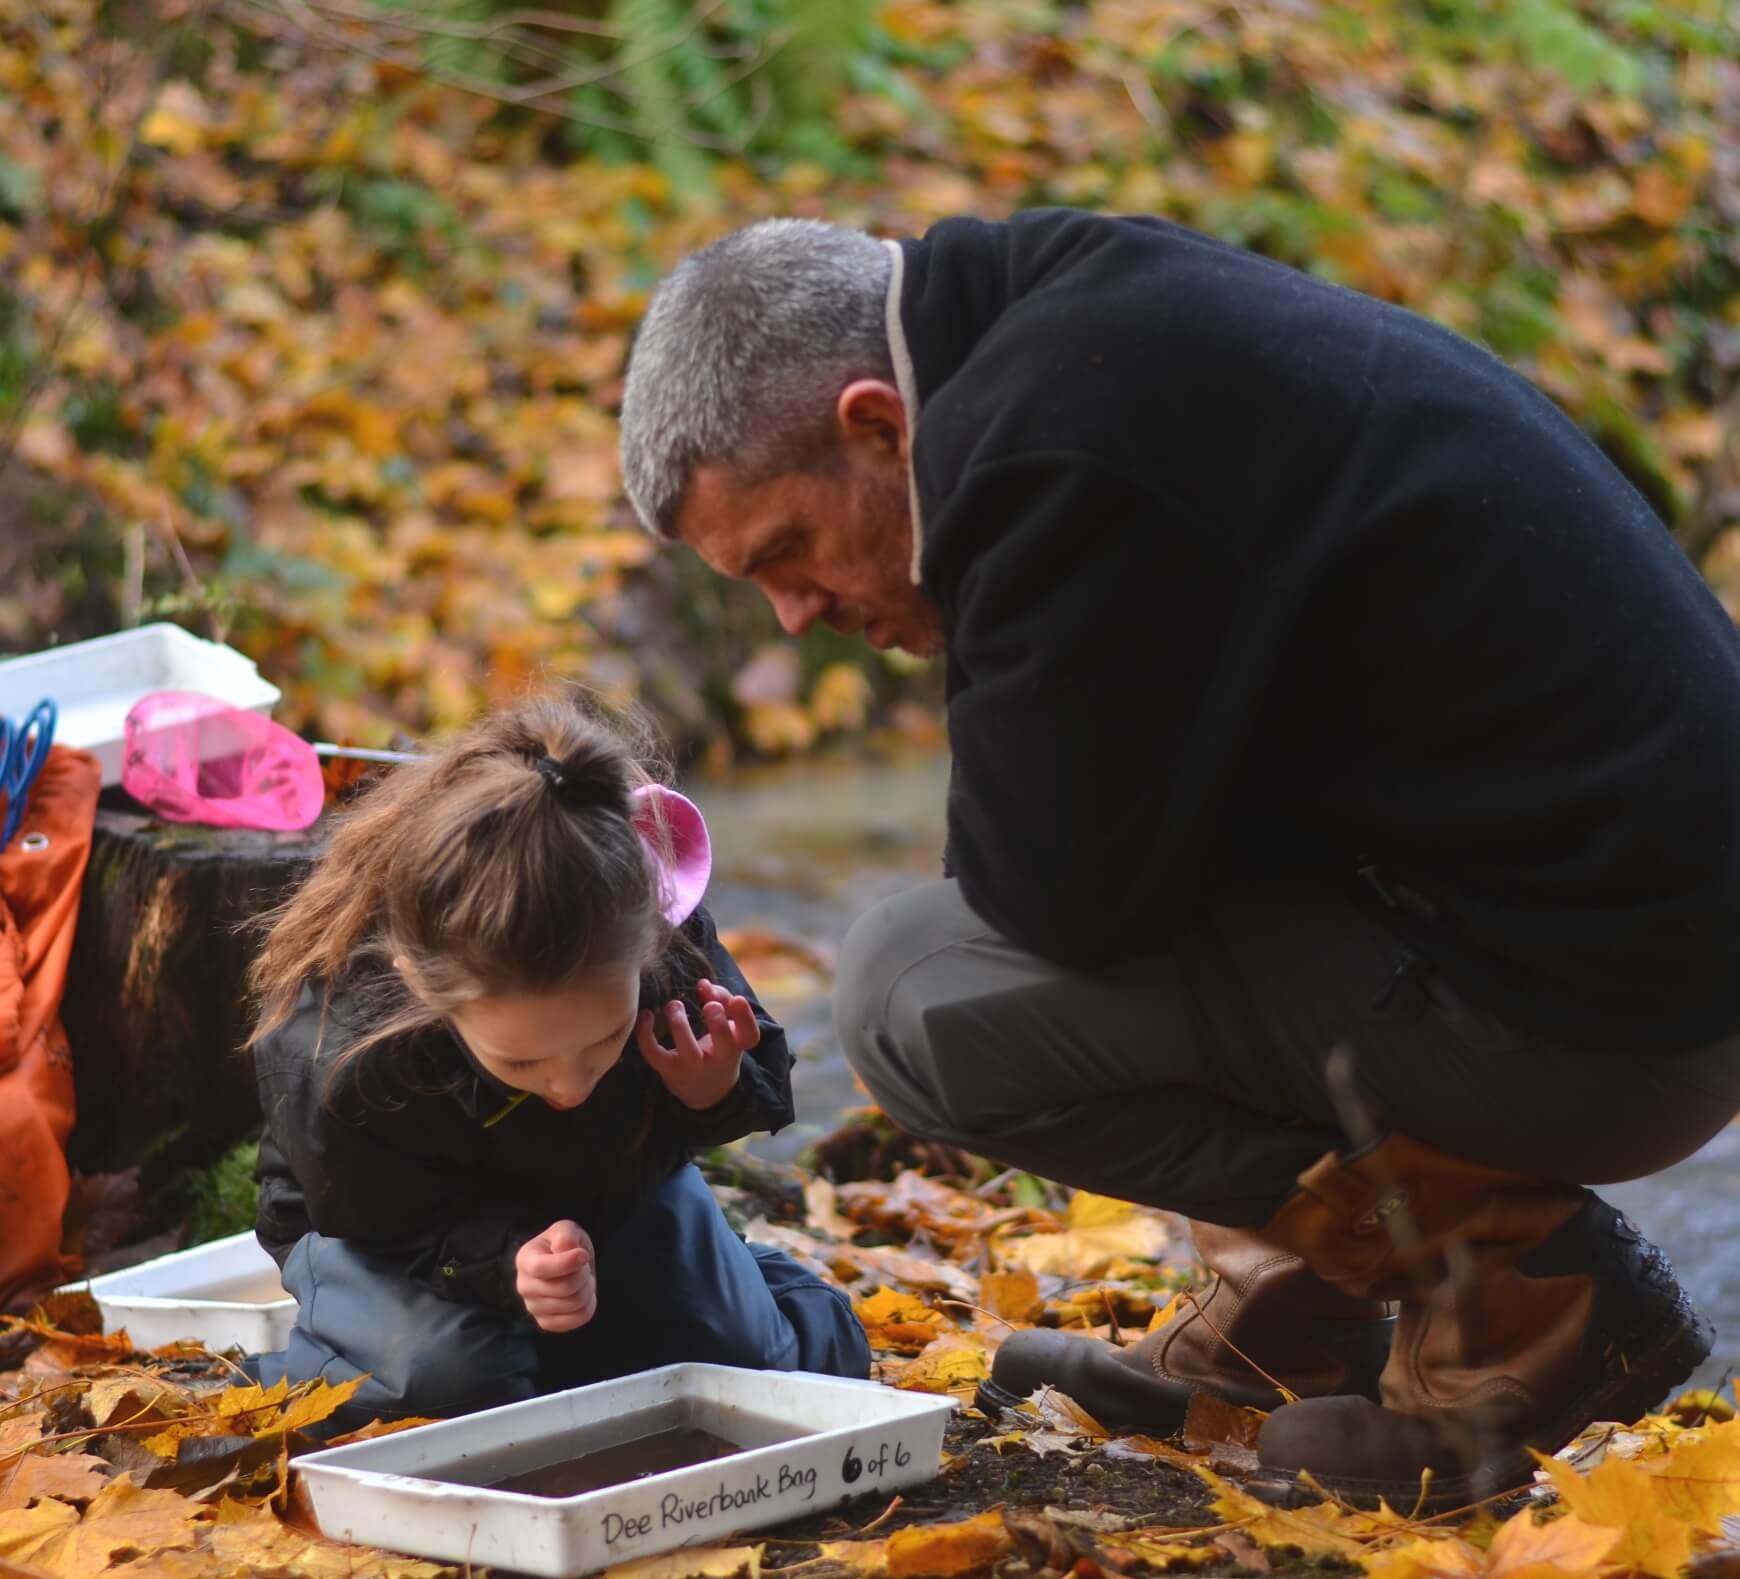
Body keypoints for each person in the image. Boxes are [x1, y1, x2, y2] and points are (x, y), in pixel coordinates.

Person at [618, 210, 1740, 1511]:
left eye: (788, 555)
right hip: (1625, 943)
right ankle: (1292, 1319)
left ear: (876, 425)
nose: (797, 615)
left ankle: (1524, 1301)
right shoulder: (1083, 318)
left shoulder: (1053, 449)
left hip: (1619, 1022)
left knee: (914, 994)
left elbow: (1048, 899)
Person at [245, 692, 869, 1429]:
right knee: (459, 1392)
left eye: (603, 1043)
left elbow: (726, 1092)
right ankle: (331, 1349)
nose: (570, 1087)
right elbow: (376, 1220)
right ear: (422, 983)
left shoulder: (646, 929)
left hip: (608, 1196)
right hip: (405, 1238)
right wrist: (508, 1263)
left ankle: (745, 1291)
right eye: (522, 1063)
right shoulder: (347, 1046)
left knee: (739, 1371)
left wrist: (713, 1089)